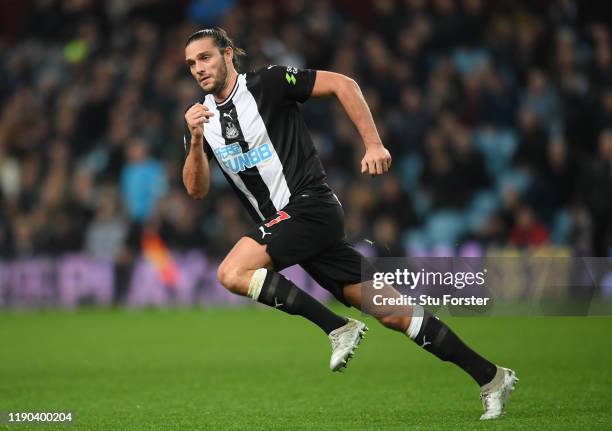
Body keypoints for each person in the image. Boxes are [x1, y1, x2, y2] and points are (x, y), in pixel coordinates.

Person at [182, 27, 516, 420]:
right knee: (393, 312)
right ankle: (492, 377)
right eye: (191, 64)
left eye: (205, 57)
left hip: (311, 207)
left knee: (232, 271)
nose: (199, 68)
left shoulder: (269, 83)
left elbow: (343, 84)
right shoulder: (200, 118)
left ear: (227, 54)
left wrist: (373, 143)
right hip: (292, 228)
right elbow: (196, 189)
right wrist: (195, 140)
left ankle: (337, 327)